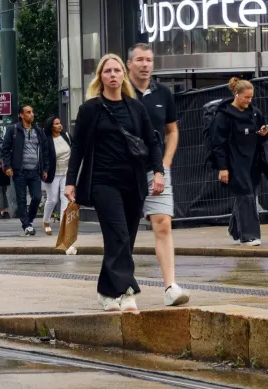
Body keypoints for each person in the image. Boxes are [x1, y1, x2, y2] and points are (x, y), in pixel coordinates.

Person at [66, 52, 160, 311]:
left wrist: (159, 172)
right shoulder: (90, 110)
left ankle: (106, 291)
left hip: (133, 182)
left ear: (123, 75)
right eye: (107, 71)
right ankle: (127, 291)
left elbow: (151, 142)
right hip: (102, 183)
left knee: (125, 238)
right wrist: (70, 181)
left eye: (117, 71)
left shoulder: (135, 107)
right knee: (118, 233)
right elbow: (78, 148)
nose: (113, 75)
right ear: (100, 77)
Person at [128, 43, 188, 302]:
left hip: (156, 169)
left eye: (149, 60)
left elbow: (171, 130)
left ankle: (170, 286)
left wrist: (165, 162)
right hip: (125, 169)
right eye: (140, 60)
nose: (145, 64)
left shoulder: (163, 93)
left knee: (162, 222)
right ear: (129, 63)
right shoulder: (120, 92)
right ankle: (122, 282)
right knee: (125, 229)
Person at [207, 76, 268, 248]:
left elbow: (261, 133)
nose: (249, 101)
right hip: (235, 161)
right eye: (246, 97)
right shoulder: (223, 116)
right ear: (236, 94)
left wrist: (263, 134)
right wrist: (223, 168)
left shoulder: (255, 113)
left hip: (253, 161)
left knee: (248, 195)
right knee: (246, 195)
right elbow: (217, 144)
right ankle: (249, 236)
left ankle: (235, 230)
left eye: (251, 97)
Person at [4, 104, 57, 237]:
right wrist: (8, 166)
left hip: (35, 171)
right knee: (21, 199)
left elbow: (45, 151)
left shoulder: (38, 131)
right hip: (19, 171)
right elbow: (5, 149)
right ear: (21, 115)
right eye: (28, 112)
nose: (31, 114)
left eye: (32, 112)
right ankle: (26, 225)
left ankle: (30, 219)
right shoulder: (13, 130)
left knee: (37, 197)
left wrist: (45, 169)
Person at [43, 115, 71, 236]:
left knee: (65, 198)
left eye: (60, 123)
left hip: (66, 172)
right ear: (51, 126)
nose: (60, 125)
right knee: (53, 199)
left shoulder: (67, 136)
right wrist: (44, 170)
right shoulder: (46, 139)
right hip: (53, 173)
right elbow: (43, 157)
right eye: (56, 124)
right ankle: (46, 221)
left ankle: (63, 226)